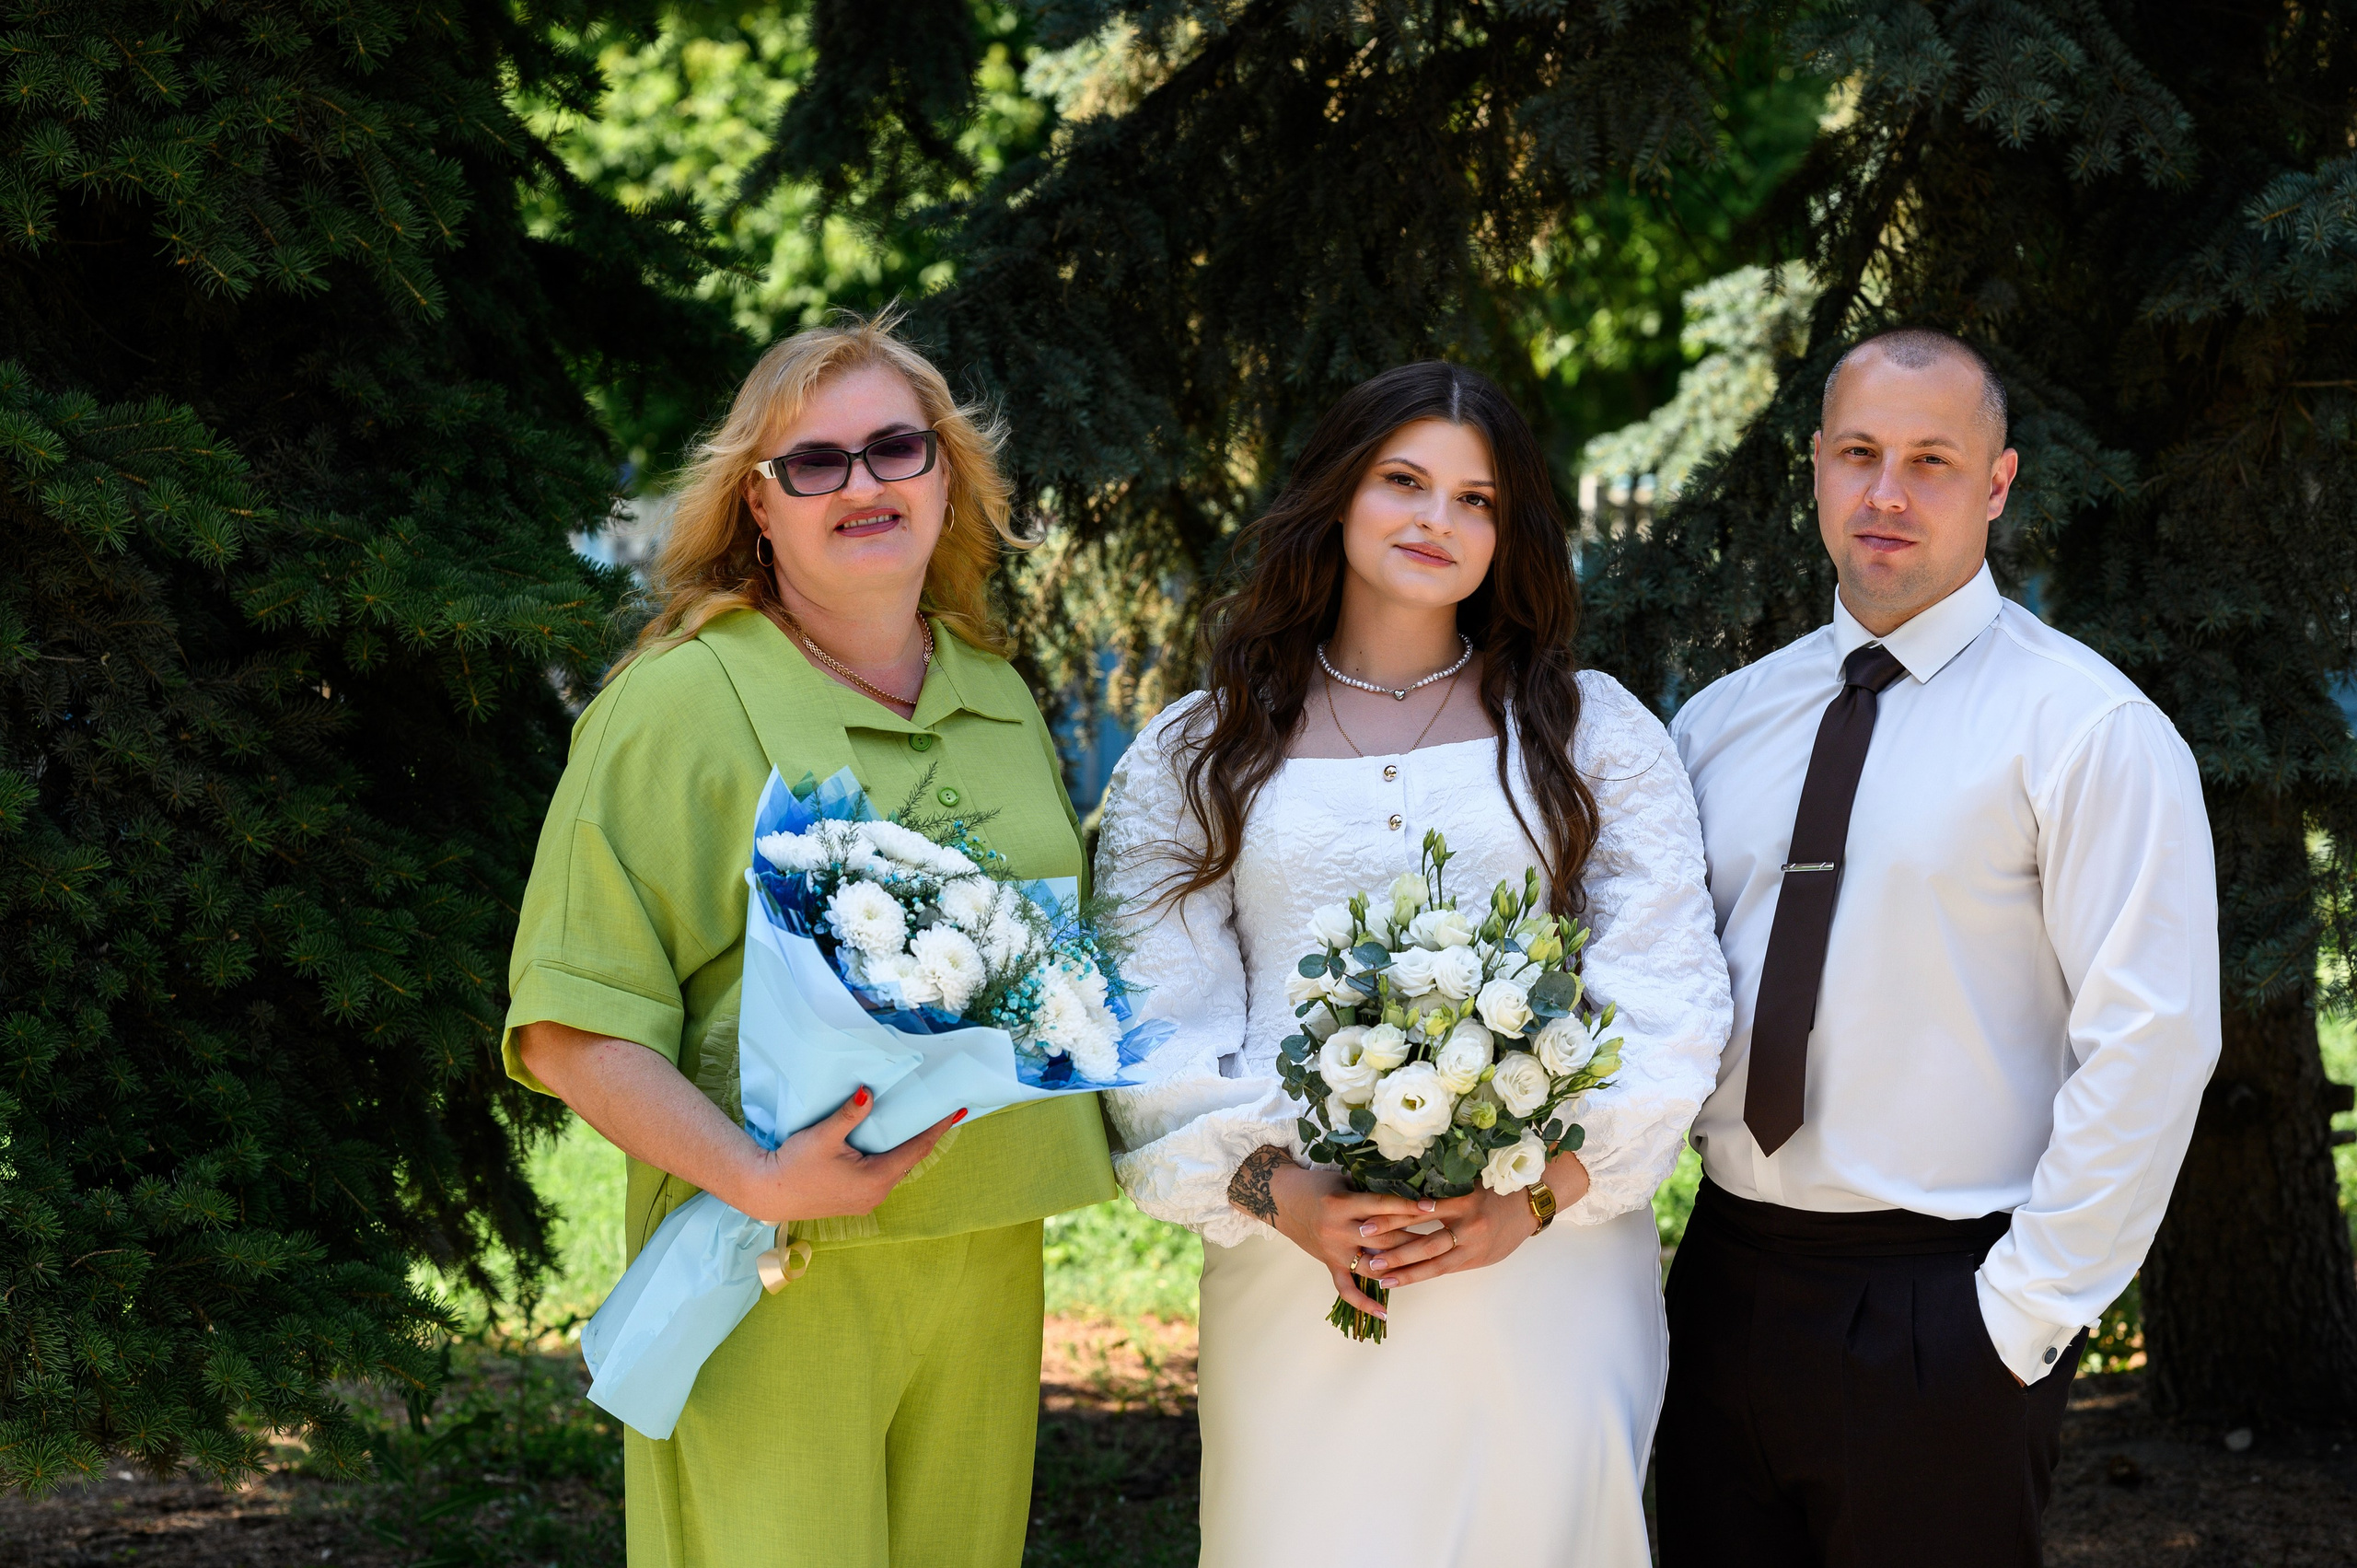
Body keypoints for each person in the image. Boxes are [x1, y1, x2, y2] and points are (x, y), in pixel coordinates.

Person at [502, 312, 1115, 1568]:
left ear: (948, 475)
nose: (864, 484)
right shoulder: (677, 706)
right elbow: (571, 1026)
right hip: (771, 1255)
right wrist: (759, 1176)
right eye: (813, 463)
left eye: (896, 447)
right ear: (756, 508)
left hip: (989, 1248)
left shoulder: (995, 696)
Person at [1096, 362, 1731, 1566]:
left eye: (1477, 500)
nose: (1438, 520)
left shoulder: (1590, 734)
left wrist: (1526, 1203)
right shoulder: (1200, 749)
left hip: (1549, 1260)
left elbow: (1663, 1002)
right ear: (1338, 496)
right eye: (1404, 482)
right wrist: (1288, 1201)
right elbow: (1151, 1020)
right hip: (1304, 1267)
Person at [1658, 328, 2220, 1566]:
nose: (1889, 493)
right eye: (1858, 454)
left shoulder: (2085, 732)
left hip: (1942, 1305)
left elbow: (2151, 1041)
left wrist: (2019, 1320)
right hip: (1722, 1279)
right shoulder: (1721, 722)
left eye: (1933, 461)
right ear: (1814, 469)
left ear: (2000, 484)